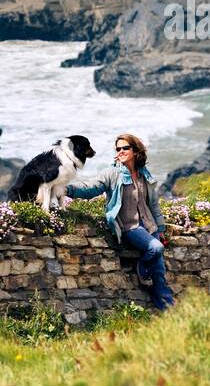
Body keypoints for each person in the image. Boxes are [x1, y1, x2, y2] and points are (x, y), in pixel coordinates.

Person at [67, 133, 176, 311]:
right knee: (156, 248)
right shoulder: (112, 173)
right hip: (130, 228)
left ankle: (167, 308)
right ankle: (142, 267)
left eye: (126, 147)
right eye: (118, 148)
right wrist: (66, 189)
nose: (121, 151)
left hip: (149, 226)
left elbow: (153, 204)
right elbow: (91, 188)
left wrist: (161, 227)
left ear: (135, 150)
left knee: (159, 272)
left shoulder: (144, 174)